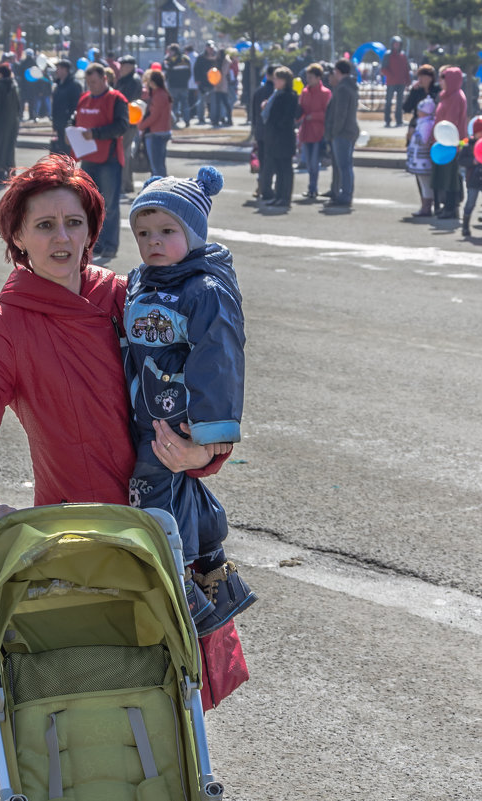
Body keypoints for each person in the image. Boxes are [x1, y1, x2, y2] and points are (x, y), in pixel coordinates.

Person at [0, 152, 231, 619]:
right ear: (18, 236)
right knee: (98, 679)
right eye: (45, 225)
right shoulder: (7, 326)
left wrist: (205, 454)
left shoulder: (127, 296)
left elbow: (206, 379)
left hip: (166, 527)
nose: (63, 237)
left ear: (92, 231)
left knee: (182, 684)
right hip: (80, 539)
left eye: (74, 222)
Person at [126, 166, 256, 634]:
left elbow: (218, 359)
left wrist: (210, 435)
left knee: (151, 489)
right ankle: (214, 571)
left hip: (177, 419)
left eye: (167, 231)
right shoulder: (142, 281)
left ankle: (178, 588)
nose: (153, 242)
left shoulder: (202, 290)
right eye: (143, 233)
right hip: (148, 408)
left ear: (195, 232)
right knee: (184, 490)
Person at [76, 62, 130, 260]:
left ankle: (110, 245)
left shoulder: (116, 99)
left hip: (110, 159)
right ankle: (95, 244)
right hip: (89, 158)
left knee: (110, 205)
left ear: (104, 79)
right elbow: (76, 120)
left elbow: (122, 125)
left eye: (95, 82)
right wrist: (69, 131)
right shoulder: (84, 99)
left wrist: (96, 134)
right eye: (88, 83)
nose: (91, 86)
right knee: (91, 204)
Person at [430, 65, 467, 219]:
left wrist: (444, 139)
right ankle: (447, 206)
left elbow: (450, 122)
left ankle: (451, 207)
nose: (440, 81)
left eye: (443, 78)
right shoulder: (448, 95)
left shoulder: (455, 97)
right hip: (444, 142)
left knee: (451, 177)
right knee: (446, 176)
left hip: (450, 143)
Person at [259, 66, 298, 208]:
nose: (275, 81)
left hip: (283, 138)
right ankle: (278, 195)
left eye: (278, 78)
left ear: (285, 80)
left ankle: (285, 197)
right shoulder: (276, 94)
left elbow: (286, 118)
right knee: (278, 169)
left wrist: (276, 126)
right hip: (274, 138)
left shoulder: (290, 96)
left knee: (285, 169)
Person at [324, 58, 359, 208]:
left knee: (343, 166)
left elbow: (340, 114)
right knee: (346, 165)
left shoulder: (342, 88)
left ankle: (345, 195)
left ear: (338, 72)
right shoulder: (350, 86)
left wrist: (333, 132)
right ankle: (346, 193)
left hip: (342, 132)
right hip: (350, 130)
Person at [458, 117, 482, 237]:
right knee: (470, 203)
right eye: (480, 132)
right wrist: (472, 161)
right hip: (473, 180)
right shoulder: (467, 144)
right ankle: (465, 227)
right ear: (474, 133)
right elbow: (461, 160)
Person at [298, 63, 331, 200]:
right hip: (306, 132)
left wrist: (314, 116)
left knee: (314, 162)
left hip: (318, 132)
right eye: (307, 77)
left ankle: (313, 188)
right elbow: (300, 110)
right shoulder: (305, 92)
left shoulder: (325, 93)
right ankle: (311, 188)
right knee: (308, 163)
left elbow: (327, 113)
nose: (308, 79)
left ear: (318, 78)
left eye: (311, 77)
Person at [137, 69, 172, 178]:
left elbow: (154, 116)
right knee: (159, 164)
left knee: (156, 167)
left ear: (152, 82)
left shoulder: (158, 95)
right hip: (162, 131)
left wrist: (141, 125)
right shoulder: (163, 93)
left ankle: (159, 190)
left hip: (156, 132)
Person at [116, 56, 143, 194]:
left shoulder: (133, 81)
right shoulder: (125, 80)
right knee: (124, 154)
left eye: (124, 65)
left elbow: (124, 100)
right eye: (121, 65)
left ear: (131, 66)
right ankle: (126, 184)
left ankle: (123, 184)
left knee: (123, 154)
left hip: (128, 122)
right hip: (126, 121)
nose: (121, 68)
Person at [406, 95, 436, 216]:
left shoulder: (426, 124)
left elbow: (423, 140)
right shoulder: (422, 122)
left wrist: (413, 135)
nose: (418, 112)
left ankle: (426, 207)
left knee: (425, 184)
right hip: (418, 159)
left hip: (422, 160)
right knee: (423, 183)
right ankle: (425, 205)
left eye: (420, 110)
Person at [251, 64, 276, 200]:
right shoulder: (276, 92)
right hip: (271, 132)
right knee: (270, 162)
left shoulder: (258, 91)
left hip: (260, 131)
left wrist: (255, 130)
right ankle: (267, 187)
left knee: (262, 160)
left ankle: (260, 186)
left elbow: (254, 114)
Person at [50, 60, 82, 156]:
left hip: (68, 124)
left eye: (59, 68)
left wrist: (71, 121)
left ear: (65, 70)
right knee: (61, 152)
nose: (57, 71)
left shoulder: (74, 85)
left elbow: (76, 104)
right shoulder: (58, 84)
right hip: (59, 123)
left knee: (68, 152)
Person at [380, 36, 411, 128]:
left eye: (398, 44)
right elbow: (383, 69)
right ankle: (387, 120)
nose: (397, 45)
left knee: (399, 102)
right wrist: (391, 76)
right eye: (395, 43)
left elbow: (406, 69)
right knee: (389, 102)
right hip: (391, 82)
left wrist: (408, 81)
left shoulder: (403, 55)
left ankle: (399, 120)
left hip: (401, 82)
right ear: (392, 44)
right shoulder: (388, 55)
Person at [163, 44, 192, 127]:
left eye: (170, 51)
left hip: (173, 85)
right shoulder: (186, 58)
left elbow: (166, 70)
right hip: (184, 85)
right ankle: (187, 121)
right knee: (185, 104)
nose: (169, 53)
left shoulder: (169, 60)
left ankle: (174, 121)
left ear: (174, 51)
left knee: (174, 104)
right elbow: (189, 73)